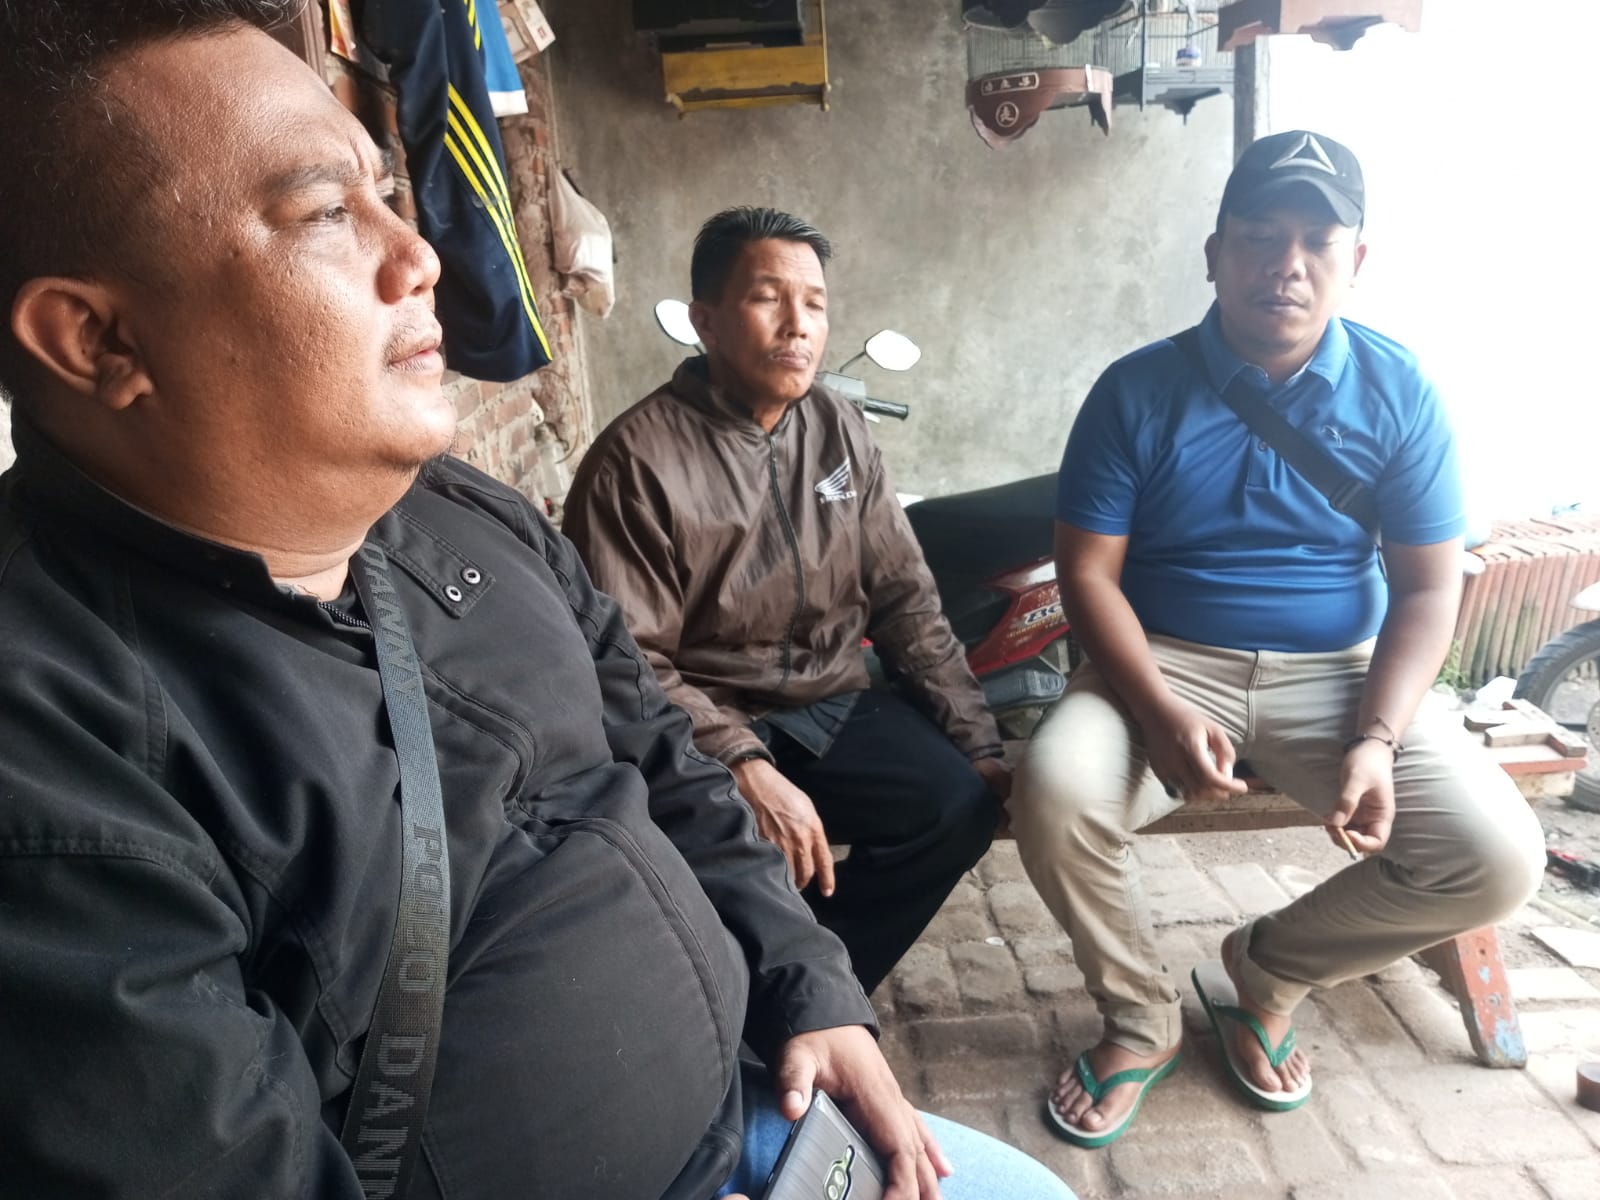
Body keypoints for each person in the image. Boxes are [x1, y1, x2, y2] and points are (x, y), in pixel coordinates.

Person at [0, 5, 1076, 1199]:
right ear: (96, 339)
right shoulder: (53, 753)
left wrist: (810, 985)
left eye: (385, 193)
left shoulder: (463, 514)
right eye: (323, 213)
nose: (419, 256)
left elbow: (661, 753)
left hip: (753, 1111)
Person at [1008, 129, 1547, 1147]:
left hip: (1340, 673)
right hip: (1161, 660)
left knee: (1497, 859)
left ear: (1356, 259)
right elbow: (1086, 576)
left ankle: (1267, 970)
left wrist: (1378, 737)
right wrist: (1158, 710)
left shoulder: (1399, 389)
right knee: (1054, 791)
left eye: (1316, 241)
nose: (1285, 265)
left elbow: (1428, 586)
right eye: (1258, 236)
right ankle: (1140, 1018)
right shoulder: (1135, 391)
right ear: (1214, 254)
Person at [563, 207, 1007, 995]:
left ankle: (814, 987)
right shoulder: (634, 461)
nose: (798, 324)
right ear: (705, 320)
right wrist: (741, 761)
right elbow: (628, 660)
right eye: (768, 297)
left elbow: (904, 596)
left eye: (816, 303)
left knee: (958, 806)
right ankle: (750, 990)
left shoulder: (840, 428)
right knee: (735, 856)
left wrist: (977, 741)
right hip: (705, 716)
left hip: (829, 702)